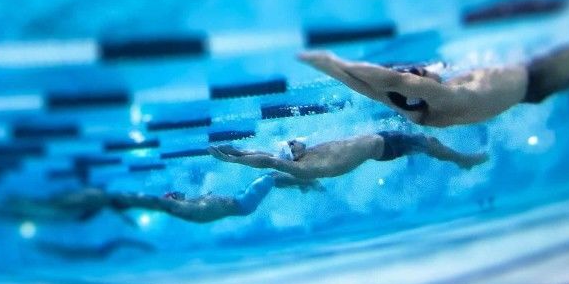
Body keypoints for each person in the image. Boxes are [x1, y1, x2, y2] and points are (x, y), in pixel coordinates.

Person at [297, 46, 569, 128]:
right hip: (534, 76)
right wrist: (339, 62)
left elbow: (377, 91)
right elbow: (393, 80)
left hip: (528, 89)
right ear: (418, 84)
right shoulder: (443, 95)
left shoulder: (422, 112)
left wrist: (333, 70)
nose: (429, 72)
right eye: (421, 73)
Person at [0, 171, 320, 225]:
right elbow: (150, 202)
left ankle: (305, 184)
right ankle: (307, 183)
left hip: (234, 205)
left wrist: (125, 201)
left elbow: (150, 201)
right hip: (239, 205)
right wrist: (126, 200)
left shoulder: (182, 204)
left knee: (273, 179)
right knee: (271, 177)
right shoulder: (177, 205)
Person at [209, 131, 487, 180]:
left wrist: (234, 149)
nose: (297, 141)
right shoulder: (307, 168)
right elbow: (269, 161)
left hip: (380, 138)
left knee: (428, 143)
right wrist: (232, 161)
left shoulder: (309, 154)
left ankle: (460, 160)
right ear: (292, 155)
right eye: (292, 143)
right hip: (383, 148)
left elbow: (262, 153)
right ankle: (463, 160)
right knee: (429, 142)